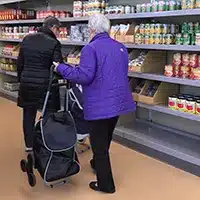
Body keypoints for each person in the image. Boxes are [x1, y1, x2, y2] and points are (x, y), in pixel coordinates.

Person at [54, 13, 136, 194]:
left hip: (100, 104)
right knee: (105, 139)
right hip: (118, 102)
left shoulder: (90, 49)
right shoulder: (121, 47)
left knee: (99, 146)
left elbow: (84, 76)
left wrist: (61, 68)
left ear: (91, 29)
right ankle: (97, 164)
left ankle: (106, 185)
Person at [17, 16, 63, 152]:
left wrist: (22, 79)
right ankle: (47, 144)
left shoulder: (27, 39)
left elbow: (20, 63)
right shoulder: (54, 43)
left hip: (27, 83)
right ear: (53, 28)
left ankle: (29, 145)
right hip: (46, 86)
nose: (59, 33)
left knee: (28, 114)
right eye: (58, 30)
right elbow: (57, 66)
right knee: (49, 114)